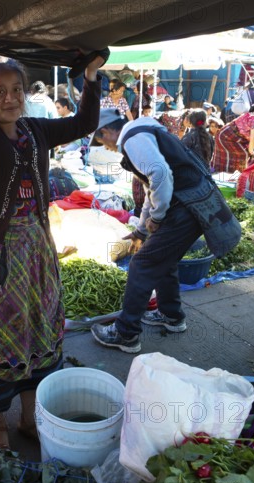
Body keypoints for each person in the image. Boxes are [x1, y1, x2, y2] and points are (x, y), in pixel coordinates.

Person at [0, 39, 105, 451]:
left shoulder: (35, 129)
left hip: (39, 252)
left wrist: (92, 78)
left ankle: (29, 416)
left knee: (39, 330)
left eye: (16, 90)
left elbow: (84, 123)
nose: (10, 98)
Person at [90, 108, 211, 353]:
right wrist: (142, 231)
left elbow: (160, 174)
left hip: (186, 207)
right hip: (192, 204)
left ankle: (126, 334)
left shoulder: (133, 139)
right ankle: (172, 316)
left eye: (101, 141)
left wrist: (156, 218)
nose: (105, 147)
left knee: (141, 264)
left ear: (106, 132)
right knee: (163, 261)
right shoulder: (144, 131)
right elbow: (150, 190)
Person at [211, 101, 254, 173]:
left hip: (224, 135)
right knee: (244, 155)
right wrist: (251, 152)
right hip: (228, 138)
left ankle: (225, 176)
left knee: (226, 160)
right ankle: (235, 177)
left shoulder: (251, 115)